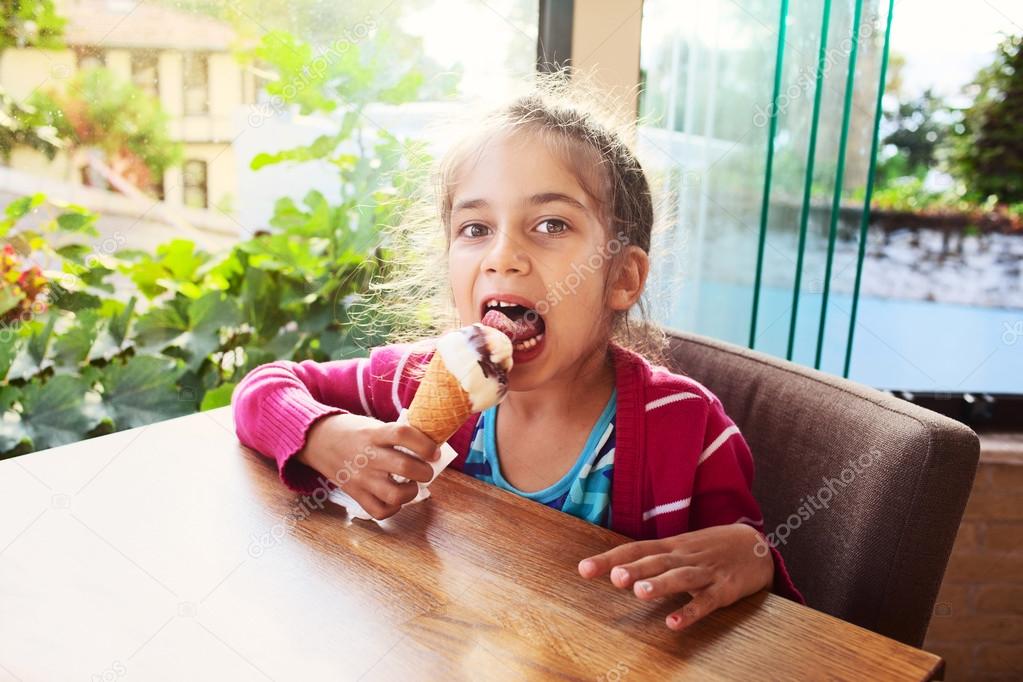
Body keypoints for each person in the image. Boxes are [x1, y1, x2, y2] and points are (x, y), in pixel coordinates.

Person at [232, 77, 804, 631]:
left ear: (623, 278)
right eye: (476, 228)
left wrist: (754, 557)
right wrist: (323, 438)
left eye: (551, 224)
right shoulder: (417, 379)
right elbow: (262, 389)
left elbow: (757, 600)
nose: (503, 256)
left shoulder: (687, 429)